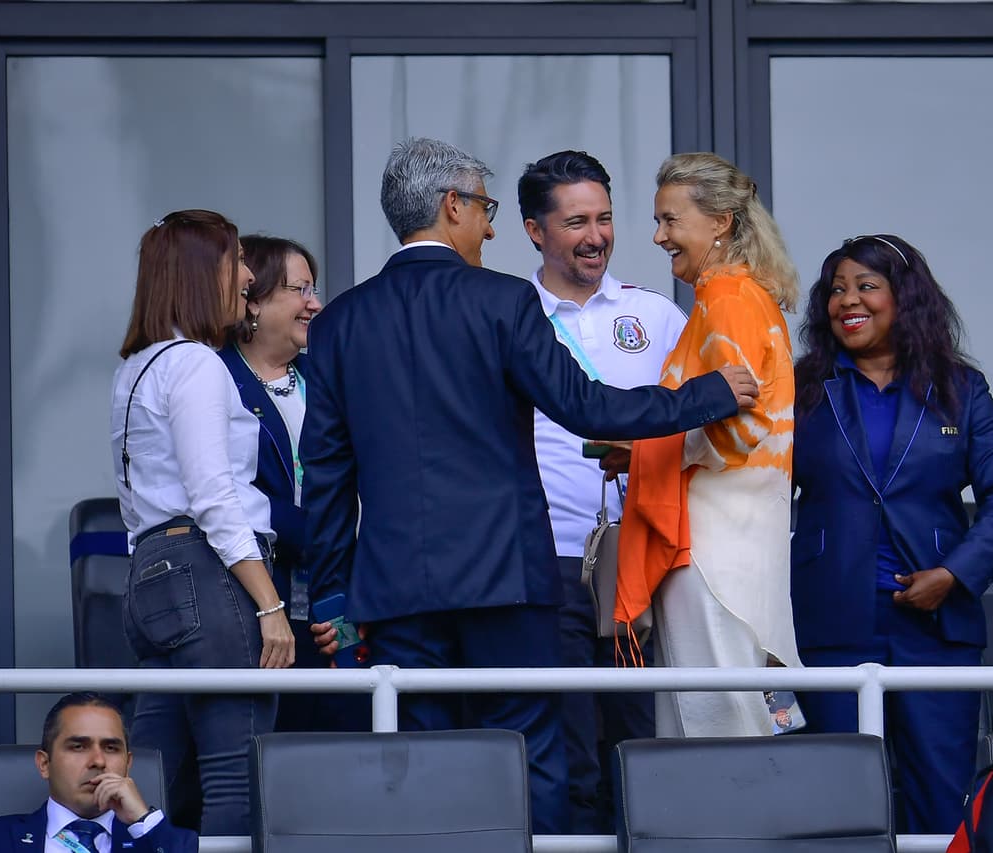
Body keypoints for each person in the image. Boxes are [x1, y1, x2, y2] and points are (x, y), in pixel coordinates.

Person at [303, 137, 759, 835]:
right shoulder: (502, 301)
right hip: (506, 577)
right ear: (451, 207)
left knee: (417, 760)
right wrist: (706, 395)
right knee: (530, 753)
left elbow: (327, 474)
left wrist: (332, 593)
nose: (489, 226)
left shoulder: (339, 321)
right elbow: (589, 406)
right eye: (482, 208)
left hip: (393, 589)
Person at [790, 234, 993, 834]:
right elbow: (748, 482)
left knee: (940, 801)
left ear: (906, 298)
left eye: (867, 286)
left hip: (936, 625)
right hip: (831, 621)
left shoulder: (961, 389)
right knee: (837, 806)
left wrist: (954, 575)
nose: (849, 300)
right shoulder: (800, 388)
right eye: (837, 290)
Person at [517, 150, 687, 833]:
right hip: (547, 558)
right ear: (535, 231)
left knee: (642, 741)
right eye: (576, 221)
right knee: (568, 746)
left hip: (642, 560)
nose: (596, 235)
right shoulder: (509, 316)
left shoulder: (657, 317)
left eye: (606, 218)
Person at [110, 210, 294, 835]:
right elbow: (215, 495)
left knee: (150, 773)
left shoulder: (136, 365)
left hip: (151, 571)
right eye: (236, 260)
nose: (247, 276)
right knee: (235, 775)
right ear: (201, 272)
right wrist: (270, 605)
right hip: (207, 573)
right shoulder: (196, 363)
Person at [614, 151, 802, 739]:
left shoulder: (725, 297)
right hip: (735, 542)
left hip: (714, 552)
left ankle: (728, 834)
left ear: (719, 222)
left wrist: (651, 444)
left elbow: (740, 429)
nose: (658, 236)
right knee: (726, 722)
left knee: (715, 728)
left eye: (671, 220)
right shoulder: (742, 295)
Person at [217, 235, 360, 733]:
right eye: (300, 290)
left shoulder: (325, 377)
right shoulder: (216, 376)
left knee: (341, 744)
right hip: (253, 597)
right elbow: (225, 493)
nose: (315, 304)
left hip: (330, 598)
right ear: (253, 299)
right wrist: (308, 533)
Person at [0, 692, 197, 852]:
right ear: (44, 764)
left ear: (128, 763)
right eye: (78, 746)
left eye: (111, 748)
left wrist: (142, 821)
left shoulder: (165, 841)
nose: (98, 761)